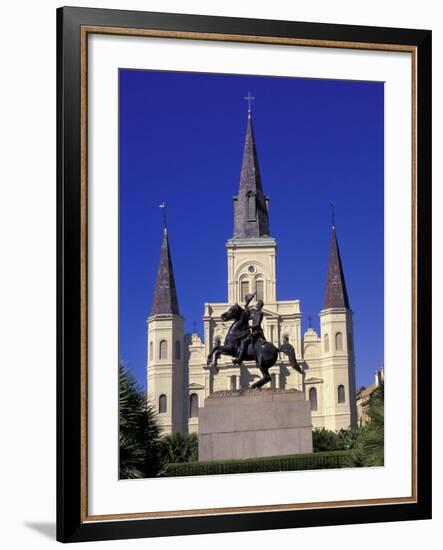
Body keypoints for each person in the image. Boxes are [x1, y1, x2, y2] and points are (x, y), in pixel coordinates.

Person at [234, 299, 266, 366]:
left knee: (244, 341)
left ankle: (239, 359)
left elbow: (257, 324)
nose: (256, 305)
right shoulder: (256, 313)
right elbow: (248, 317)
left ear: (260, 305)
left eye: (258, 304)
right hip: (254, 331)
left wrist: (250, 327)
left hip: (257, 332)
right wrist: (246, 306)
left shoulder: (260, 313)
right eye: (257, 304)